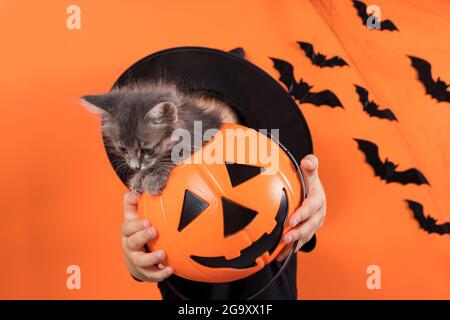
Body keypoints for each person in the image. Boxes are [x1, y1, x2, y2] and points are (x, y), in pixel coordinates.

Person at [121, 154, 326, 299]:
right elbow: (144, 252)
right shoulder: (157, 195)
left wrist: (309, 202)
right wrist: (138, 261)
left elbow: (299, 221)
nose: (232, 221)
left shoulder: (272, 164)